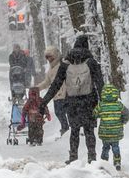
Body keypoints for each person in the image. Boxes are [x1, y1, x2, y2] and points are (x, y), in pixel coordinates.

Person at [42, 35, 104, 163]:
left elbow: (56, 85)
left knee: (74, 130)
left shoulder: (65, 64)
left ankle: (73, 157)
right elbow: (100, 84)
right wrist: (105, 102)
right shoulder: (91, 62)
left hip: (72, 102)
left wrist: (44, 102)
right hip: (89, 101)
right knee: (89, 130)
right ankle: (92, 157)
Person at [94, 83, 129, 170]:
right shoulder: (119, 105)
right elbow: (127, 114)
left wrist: (102, 115)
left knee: (105, 148)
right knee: (115, 147)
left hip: (105, 132)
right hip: (116, 132)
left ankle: (104, 162)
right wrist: (123, 121)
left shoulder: (101, 105)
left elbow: (94, 114)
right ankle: (117, 162)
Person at [35, 47, 69, 138]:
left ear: (56, 56)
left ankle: (66, 131)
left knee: (62, 113)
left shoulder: (62, 66)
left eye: (51, 57)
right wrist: (37, 88)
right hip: (56, 94)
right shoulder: (51, 69)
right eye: (47, 57)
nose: (49, 60)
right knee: (59, 113)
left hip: (63, 94)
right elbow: (47, 82)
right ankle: (65, 130)